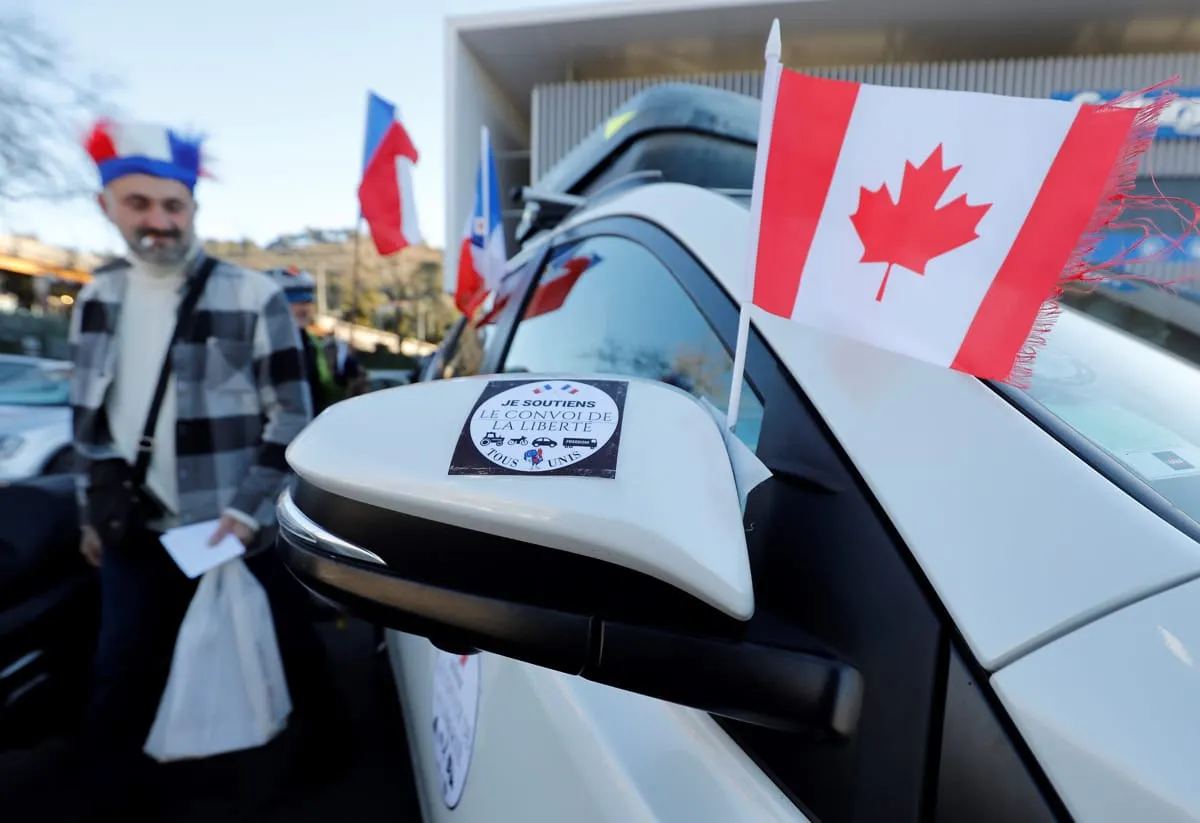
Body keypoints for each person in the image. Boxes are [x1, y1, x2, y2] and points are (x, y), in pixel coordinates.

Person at [70, 118, 346, 819]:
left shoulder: (254, 298)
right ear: (108, 206)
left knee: (284, 646)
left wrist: (245, 510)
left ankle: (326, 757)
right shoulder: (95, 300)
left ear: (193, 208)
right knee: (121, 669)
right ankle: (112, 796)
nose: (158, 221)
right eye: (139, 205)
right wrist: (88, 513)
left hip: (233, 522)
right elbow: (88, 421)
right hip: (137, 523)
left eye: (174, 206)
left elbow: (291, 418)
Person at [266, 266, 367, 413]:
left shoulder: (320, 346)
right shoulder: (254, 348)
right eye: (295, 302)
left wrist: (347, 379)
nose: (304, 309)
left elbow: (342, 401)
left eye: (307, 302)